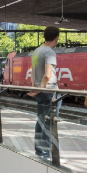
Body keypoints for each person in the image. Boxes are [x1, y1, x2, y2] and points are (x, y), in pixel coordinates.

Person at [27, 26, 60, 159]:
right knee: (49, 123)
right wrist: (41, 88)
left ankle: (40, 151)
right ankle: (46, 153)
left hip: (40, 91)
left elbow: (32, 73)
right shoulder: (49, 52)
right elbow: (47, 75)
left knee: (40, 122)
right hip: (49, 91)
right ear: (56, 38)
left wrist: (35, 88)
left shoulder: (36, 51)